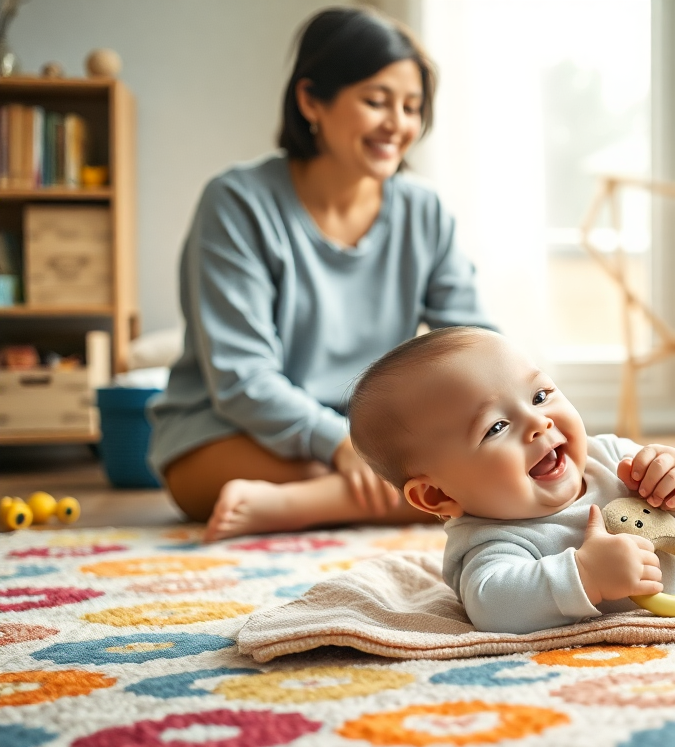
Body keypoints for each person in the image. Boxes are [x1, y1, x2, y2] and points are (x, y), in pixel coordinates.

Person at [148, 7, 493, 542]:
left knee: (467, 480)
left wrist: (512, 414)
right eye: (376, 101)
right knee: (447, 488)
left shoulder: (423, 210)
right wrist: (342, 445)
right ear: (311, 100)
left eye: (411, 107)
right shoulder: (237, 202)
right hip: (230, 433)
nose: (397, 125)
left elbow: (475, 344)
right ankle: (339, 492)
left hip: (366, 439)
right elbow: (242, 379)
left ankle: (287, 507)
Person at [346, 327, 675, 635]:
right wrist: (586, 576)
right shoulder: (494, 544)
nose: (540, 423)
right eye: (498, 426)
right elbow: (492, 605)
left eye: (540, 396)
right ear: (438, 494)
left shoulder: (607, 457)